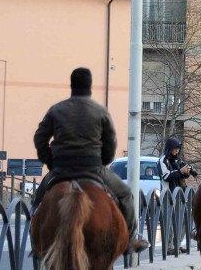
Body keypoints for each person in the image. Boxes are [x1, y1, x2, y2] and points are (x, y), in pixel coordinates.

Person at [32, 67, 149, 254]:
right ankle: (130, 240)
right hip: (92, 168)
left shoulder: (56, 110)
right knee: (126, 195)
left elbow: (40, 138)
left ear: (71, 85)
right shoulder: (100, 111)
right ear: (90, 86)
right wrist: (103, 161)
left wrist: (51, 162)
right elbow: (110, 144)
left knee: (38, 201)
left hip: (61, 168)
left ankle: (36, 242)